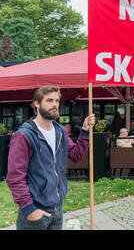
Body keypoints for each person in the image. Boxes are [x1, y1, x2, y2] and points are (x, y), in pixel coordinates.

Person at [6, 85, 95, 230]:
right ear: (37, 103)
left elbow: (76, 155)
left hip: (57, 209)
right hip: (34, 213)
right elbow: (15, 177)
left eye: (57, 101)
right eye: (49, 100)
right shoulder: (24, 135)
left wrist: (85, 130)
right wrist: (30, 209)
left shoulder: (60, 131)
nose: (54, 105)